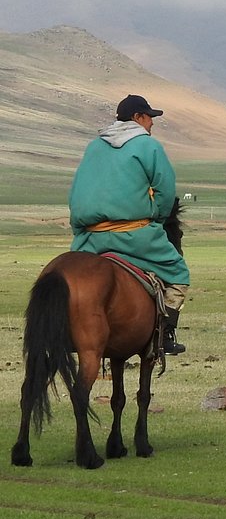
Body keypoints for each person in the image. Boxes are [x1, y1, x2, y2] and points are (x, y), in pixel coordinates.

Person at [68, 94, 190, 355]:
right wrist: (155, 217)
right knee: (179, 274)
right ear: (137, 118)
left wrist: (81, 228)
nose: (152, 124)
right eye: (149, 118)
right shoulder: (149, 146)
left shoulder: (93, 147)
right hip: (135, 235)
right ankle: (165, 334)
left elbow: (77, 191)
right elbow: (165, 191)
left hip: (89, 239)